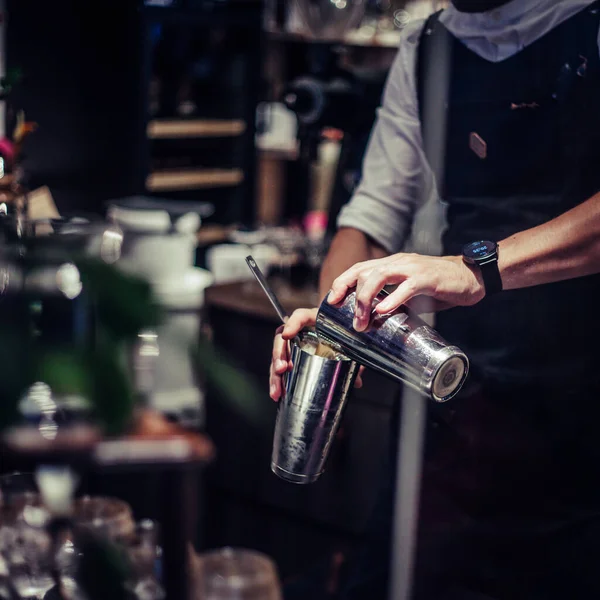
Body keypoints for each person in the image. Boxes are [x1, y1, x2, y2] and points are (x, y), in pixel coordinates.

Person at [270, 0, 600, 598]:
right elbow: (369, 221)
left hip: (580, 415)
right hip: (452, 401)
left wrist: (475, 269)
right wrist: (333, 325)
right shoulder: (428, 45)